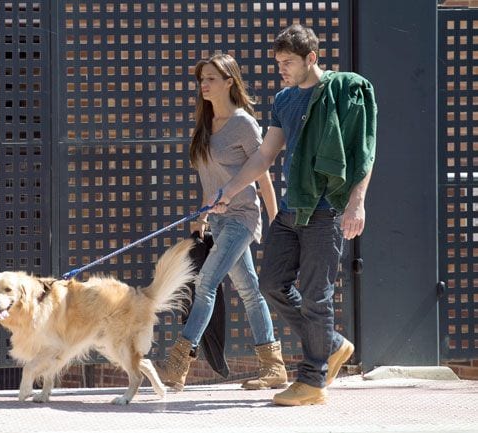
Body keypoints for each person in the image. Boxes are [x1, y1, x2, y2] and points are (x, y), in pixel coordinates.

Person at [208, 24, 377, 406]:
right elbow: (265, 155)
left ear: (311, 59)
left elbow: (363, 153)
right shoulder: (284, 100)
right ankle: (331, 344)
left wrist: (357, 203)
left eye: (287, 62)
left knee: (317, 297)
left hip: (325, 209)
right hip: (291, 210)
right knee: (271, 284)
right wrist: (228, 191)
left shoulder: (342, 92)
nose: (280, 68)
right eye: (278, 62)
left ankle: (313, 381)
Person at [154, 53, 287, 392]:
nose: (204, 84)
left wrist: (276, 222)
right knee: (250, 291)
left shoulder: (243, 123)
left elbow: (263, 175)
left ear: (230, 81)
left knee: (206, 283)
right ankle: (274, 367)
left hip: (243, 217)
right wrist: (201, 217)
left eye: (211, 78)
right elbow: (211, 183)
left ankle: (177, 363)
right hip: (218, 221)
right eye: (202, 79)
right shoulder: (206, 125)